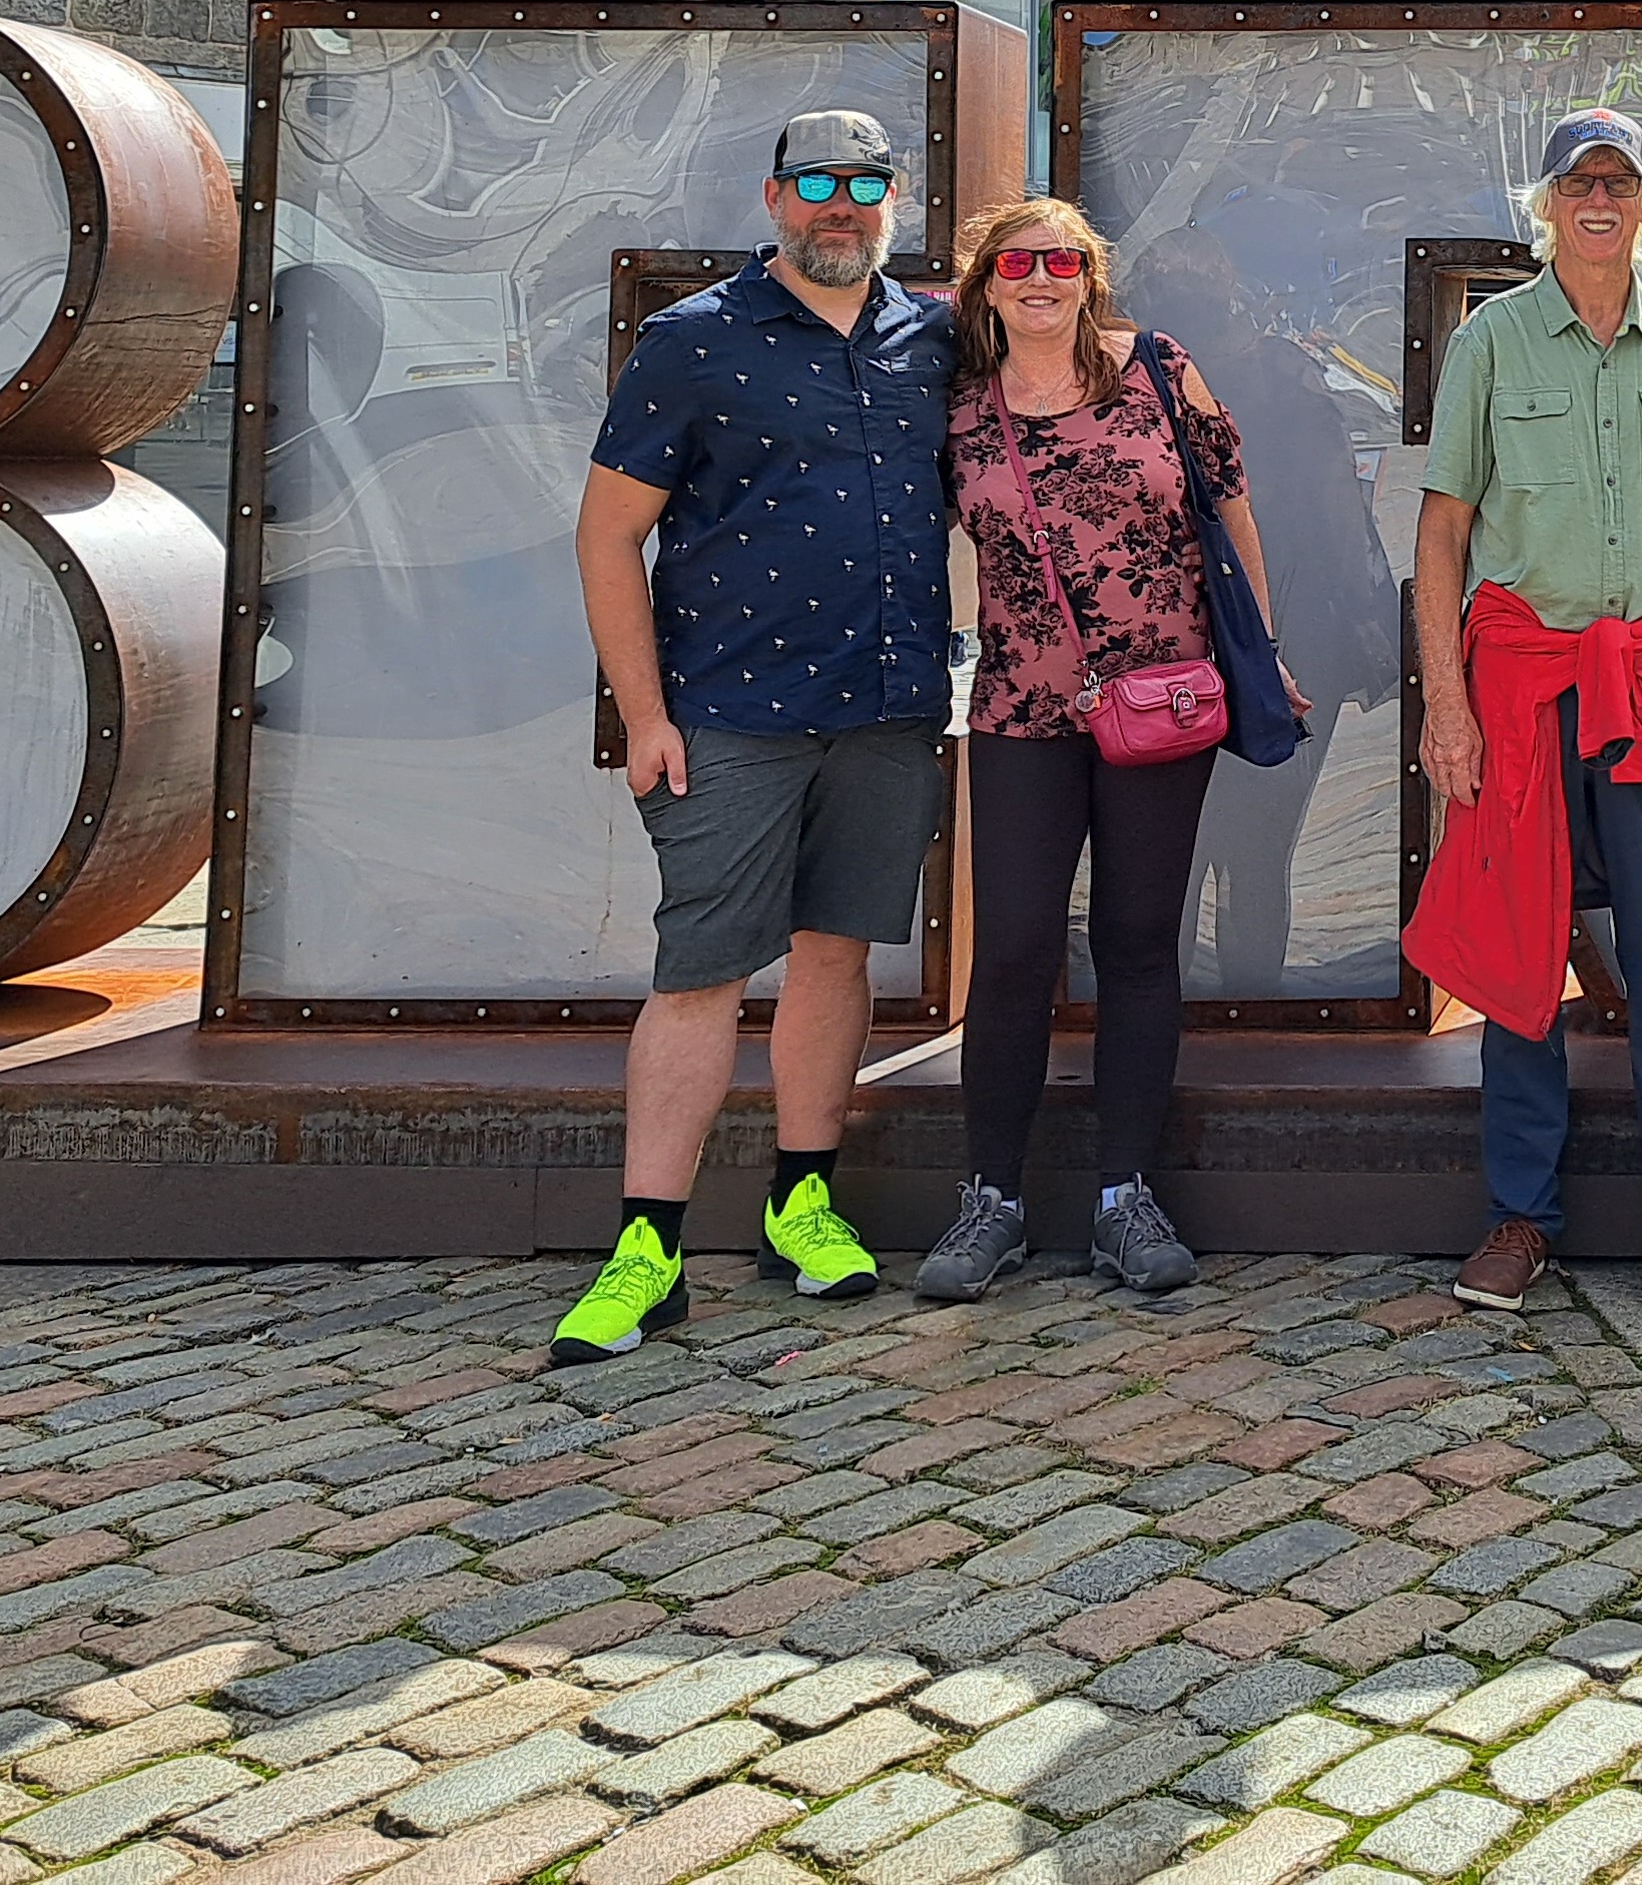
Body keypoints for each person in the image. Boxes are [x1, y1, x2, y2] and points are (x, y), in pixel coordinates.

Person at [556, 109, 949, 1362]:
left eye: (867, 185)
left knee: (836, 958)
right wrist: (644, 715)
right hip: (727, 713)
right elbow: (608, 535)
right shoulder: (694, 342)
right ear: (775, 197)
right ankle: (647, 1247)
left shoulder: (935, 337)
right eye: (819, 184)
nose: (844, 205)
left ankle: (801, 1201)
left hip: (887, 711)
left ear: (895, 199)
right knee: (700, 974)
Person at [914, 198, 1298, 1305]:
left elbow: (1232, 514)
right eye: (1018, 262)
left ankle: (1126, 1197)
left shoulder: (1161, 370)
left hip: (1163, 699)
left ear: (1093, 275)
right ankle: (991, 1197)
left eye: (1063, 260)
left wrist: (1258, 656)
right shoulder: (955, 402)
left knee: (1137, 940)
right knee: (1019, 948)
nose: (1041, 278)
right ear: (986, 281)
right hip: (1022, 706)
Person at [1417, 108, 1642, 1319]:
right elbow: (1444, 529)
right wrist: (1445, 707)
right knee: (1518, 960)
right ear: (1547, 205)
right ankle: (1519, 1215)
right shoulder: (1493, 342)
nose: (1599, 201)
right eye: (1579, 183)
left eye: (1620, 182)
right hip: (1517, 681)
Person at [1128, 224, 1407, 997]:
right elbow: (1338, 524)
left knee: (1171, 857)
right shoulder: (1285, 379)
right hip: (1292, 644)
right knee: (1256, 858)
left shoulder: (1123, 378)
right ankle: (1247, 1018)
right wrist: (1371, 631)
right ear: (1233, 295)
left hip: (1165, 651)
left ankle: (1173, 1027)